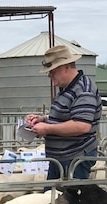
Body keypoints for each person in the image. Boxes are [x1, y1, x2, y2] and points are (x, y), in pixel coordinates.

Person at [26, 44, 102, 180]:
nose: (49, 75)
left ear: (65, 67)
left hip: (74, 159)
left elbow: (82, 125)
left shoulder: (84, 90)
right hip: (63, 159)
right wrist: (43, 119)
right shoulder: (67, 88)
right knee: (52, 199)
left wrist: (47, 128)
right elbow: (70, 116)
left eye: (52, 70)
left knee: (66, 200)